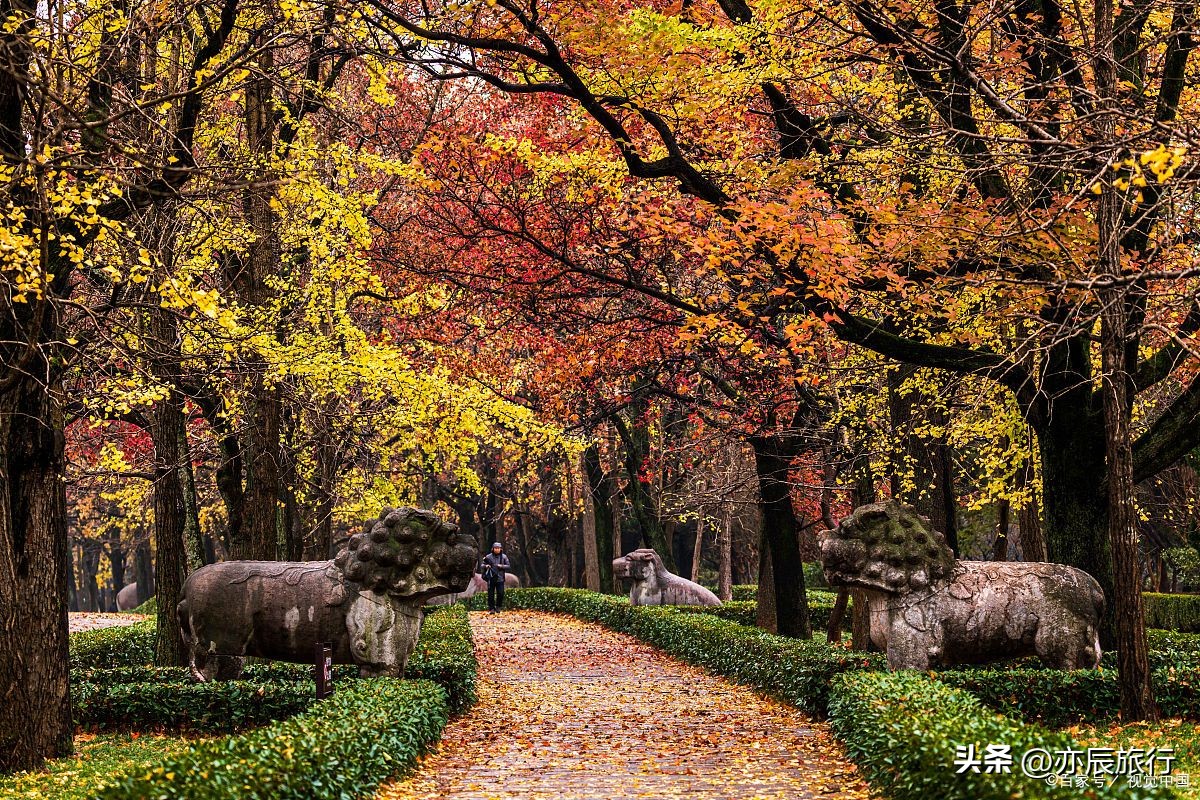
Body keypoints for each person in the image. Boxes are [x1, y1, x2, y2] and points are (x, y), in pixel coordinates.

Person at [480, 542, 511, 613]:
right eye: (495, 548)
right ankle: (491, 608)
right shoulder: (488, 557)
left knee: (501, 593)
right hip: (491, 578)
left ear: (501, 549)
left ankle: (498, 606)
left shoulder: (504, 557)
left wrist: (501, 566)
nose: (497, 549)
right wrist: (486, 566)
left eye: (498, 548)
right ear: (493, 549)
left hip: (500, 578)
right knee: (490, 595)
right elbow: (482, 565)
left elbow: (508, 566)